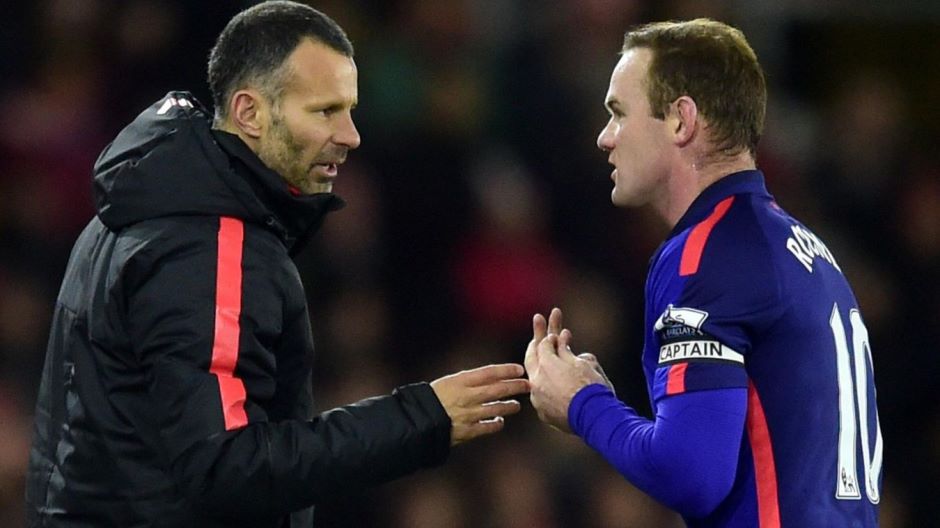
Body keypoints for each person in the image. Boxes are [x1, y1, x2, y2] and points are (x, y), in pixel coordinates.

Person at [25, 2, 529, 526]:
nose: (351, 135)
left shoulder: (141, 207)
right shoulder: (208, 242)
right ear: (249, 113)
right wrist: (423, 416)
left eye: (350, 109)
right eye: (325, 111)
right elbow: (226, 467)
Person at [525, 19, 883, 527]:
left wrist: (582, 403)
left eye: (619, 113)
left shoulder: (706, 253)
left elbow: (691, 475)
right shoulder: (809, 252)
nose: (605, 137)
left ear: (681, 120)